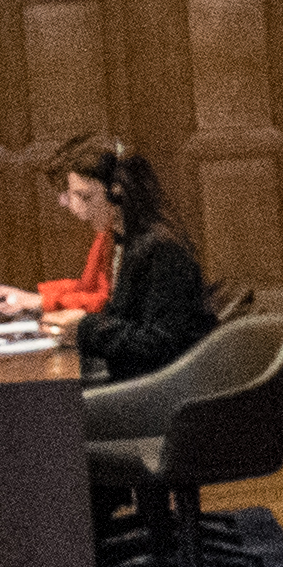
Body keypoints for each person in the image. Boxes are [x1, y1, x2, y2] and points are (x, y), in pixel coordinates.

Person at [42, 139, 215, 387]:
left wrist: (84, 328)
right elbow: (127, 322)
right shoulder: (126, 242)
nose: (77, 209)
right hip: (140, 383)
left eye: (86, 197)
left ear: (117, 192)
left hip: (158, 391)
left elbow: (160, 343)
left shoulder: (162, 248)